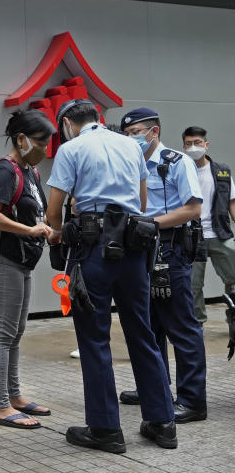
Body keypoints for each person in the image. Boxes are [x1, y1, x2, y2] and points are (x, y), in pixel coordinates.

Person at [46, 99, 176, 453]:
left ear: (69, 123)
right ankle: (163, 423)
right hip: (135, 247)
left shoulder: (71, 149)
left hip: (94, 249)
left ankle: (105, 429)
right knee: (142, 332)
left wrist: (57, 231)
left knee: (94, 336)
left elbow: (54, 211)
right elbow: (144, 203)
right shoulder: (130, 145)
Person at [119, 108, 207, 423]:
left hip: (169, 247)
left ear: (154, 131)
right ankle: (154, 388)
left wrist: (149, 222)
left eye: (137, 133)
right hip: (140, 249)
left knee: (181, 326)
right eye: (127, 134)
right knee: (149, 324)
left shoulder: (176, 162)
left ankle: (193, 400)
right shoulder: (128, 162)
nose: (131, 138)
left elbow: (193, 209)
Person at [0, 109, 54, 429]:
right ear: (21, 139)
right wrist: (29, 231)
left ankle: (14, 395)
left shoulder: (31, 171)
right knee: (3, 334)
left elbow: (35, 214)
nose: (45, 148)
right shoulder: (7, 171)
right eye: (40, 142)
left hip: (23, 263)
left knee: (17, 333)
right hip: (4, 261)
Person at [181, 126, 235, 324]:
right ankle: (197, 325)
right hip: (192, 237)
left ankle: (234, 320)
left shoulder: (222, 171)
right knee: (192, 285)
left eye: (197, 143)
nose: (193, 147)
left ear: (206, 145)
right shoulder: (180, 170)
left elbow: (232, 202)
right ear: (183, 146)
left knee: (234, 280)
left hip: (220, 234)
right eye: (189, 143)